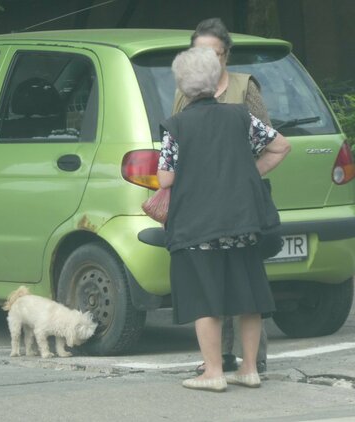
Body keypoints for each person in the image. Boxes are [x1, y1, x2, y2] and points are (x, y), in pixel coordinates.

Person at [158, 47, 290, 392]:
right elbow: (281, 146)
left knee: (206, 298)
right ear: (217, 81)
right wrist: (248, 172)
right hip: (243, 221)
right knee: (248, 295)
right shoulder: (241, 116)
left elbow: (165, 180)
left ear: (183, 88)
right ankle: (249, 369)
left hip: (197, 225)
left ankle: (213, 372)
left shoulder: (176, 126)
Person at [172, 17, 271, 375]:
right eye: (199, 53)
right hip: (205, 204)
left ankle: (252, 361)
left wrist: (241, 176)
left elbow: (268, 141)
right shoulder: (186, 94)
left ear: (226, 54)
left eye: (212, 53)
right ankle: (218, 360)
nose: (206, 60)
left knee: (243, 281)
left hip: (240, 199)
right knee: (217, 279)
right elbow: (182, 144)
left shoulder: (244, 88)